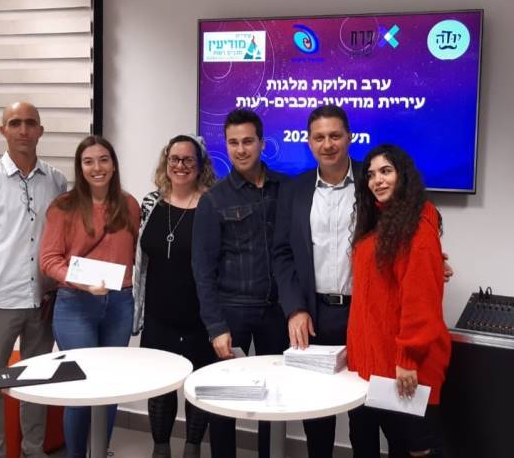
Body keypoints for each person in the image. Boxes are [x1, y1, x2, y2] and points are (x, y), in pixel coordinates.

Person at [0, 102, 67, 458]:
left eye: (30, 123)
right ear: (3, 130)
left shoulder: (56, 181)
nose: (23, 130)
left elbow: (58, 240)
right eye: (15, 123)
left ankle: (32, 451)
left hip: (43, 301)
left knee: (35, 382)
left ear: (41, 131)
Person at [192, 109, 289, 458]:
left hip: (277, 312)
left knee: (274, 399)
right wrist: (215, 327)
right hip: (232, 312)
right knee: (225, 401)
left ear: (262, 142)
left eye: (248, 141)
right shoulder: (214, 199)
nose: (241, 149)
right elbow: (202, 269)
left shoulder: (286, 189)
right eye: (233, 143)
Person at [347, 144, 451, 457]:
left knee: (415, 447)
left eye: (386, 171)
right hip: (377, 361)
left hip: (405, 365)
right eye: (370, 174)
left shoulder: (416, 228)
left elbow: (420, 302)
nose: (377, 180)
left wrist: (407, 359)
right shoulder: (381, 221)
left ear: (403, 175)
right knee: (390, 441)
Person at [39, 135, 140, 458]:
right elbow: (49, 260)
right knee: (81, 388)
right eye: (88, 161)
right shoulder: (63, 207)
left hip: (119, 305)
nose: (97, 167)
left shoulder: (129, 205)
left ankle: (99, 450)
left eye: (104, 160)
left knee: (109, 388)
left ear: (114, 165)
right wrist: (84, 283)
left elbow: (135, 256)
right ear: (80, 167)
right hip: (75, 306)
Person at [273, 104, 361, 458]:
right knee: (317, 414)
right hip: (313, 315)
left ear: (349, 138)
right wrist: (294, 309)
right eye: (319, 137)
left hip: (361, 315)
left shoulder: (371, 183)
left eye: (335, 136)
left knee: (365, 415)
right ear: (308, 142)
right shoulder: (295, 189)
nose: (328, 144)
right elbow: (282, 254)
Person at [133, 134, 217, 458]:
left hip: (199, 316)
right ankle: (161, 449)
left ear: (200, 165)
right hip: (158, 314)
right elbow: (139, 257)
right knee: (160, 387)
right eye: (174, 159)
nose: (180, 165)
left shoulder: (212, 205)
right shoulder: (150, 203)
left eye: (188, 160)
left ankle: (192, 448)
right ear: (166, 162)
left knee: (198, 387)